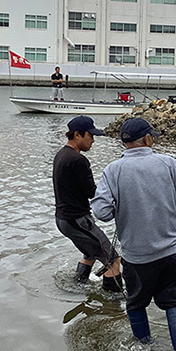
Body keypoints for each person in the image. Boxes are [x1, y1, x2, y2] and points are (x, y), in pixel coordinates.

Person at [92, 118, 176, 351]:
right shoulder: (167, 163)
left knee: (136, 303)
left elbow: (101, 213)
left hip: (137, 257)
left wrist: (121, 203)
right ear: (147, 139)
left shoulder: (113, 170)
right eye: (152, 136)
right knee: (173, 301)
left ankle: (144, 350)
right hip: (171, 252)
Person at [53, 115, 122, 292]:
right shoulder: (79, 160)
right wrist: (116, 196)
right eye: (90, 136)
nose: (93, 141)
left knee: (91, 253)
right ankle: (112, 303)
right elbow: (92, 192)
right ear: (77, 135)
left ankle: (78, 285)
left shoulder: (61, 155)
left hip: (63, 220)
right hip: (77, 220)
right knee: (112, 259)